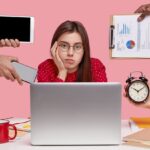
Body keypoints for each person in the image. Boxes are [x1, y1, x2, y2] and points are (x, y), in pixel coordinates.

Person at [37, 20, 107, 82]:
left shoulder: (95, 66)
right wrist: (62, 72)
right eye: (64, 46)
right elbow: (49, 97)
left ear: (84, 49)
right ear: (54, 47)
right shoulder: (45, 68)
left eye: (77, 47)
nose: (70, 53)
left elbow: (104, 96)